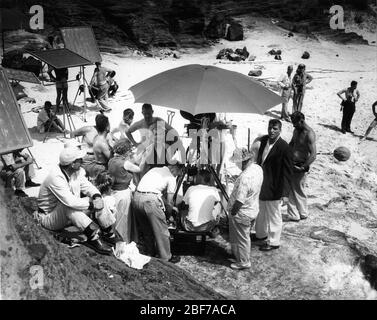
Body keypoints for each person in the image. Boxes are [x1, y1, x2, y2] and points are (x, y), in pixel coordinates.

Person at [36, 147, 115, 255]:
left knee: (97, 199)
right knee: (69, 206)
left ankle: (108, 233)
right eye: (79, 160)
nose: (82, 161)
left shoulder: (75, 172)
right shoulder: (55, 177)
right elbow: (70, 202)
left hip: (64, 216)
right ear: (72, 164)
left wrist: (96, 197)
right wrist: (92, 205)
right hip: (49, 218)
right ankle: (93, 237)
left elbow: (88, 187)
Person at [132, 162, 184, 263]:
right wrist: (168, 216)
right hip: (150, 201)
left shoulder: (155, 170)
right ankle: (166, 258)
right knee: (162, 231)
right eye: (179, 173)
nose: (178, 175)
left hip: (137, 197)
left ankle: (150, 252)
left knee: (146, 229)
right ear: (176, 169)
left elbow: (154, 191)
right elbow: (169, 202)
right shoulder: (171, 178)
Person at [254, 119, 293, 251]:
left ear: (280, 130)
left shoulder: (284, 147)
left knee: (274, 215)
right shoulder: (264, 140)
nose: (271, 131)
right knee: (260, 211)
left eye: (275, 129)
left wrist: (285, 194)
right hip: (261, 184)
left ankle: (274, 241)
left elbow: (288, 172)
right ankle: (260, 235)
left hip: (275, 186)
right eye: (270, 128)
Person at [227, 145, 263, 270]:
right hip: (253, 208)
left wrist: (233, 212)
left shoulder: (244, 178)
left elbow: (239, 201)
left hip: (242, 212)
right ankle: (240, 257)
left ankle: (243, 262)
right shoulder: (257, 169)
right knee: (243, 236)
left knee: (242, 239)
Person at [108, 139, 147, 242]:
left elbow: (128, 163)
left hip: (113, 192)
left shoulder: (111, 161)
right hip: (123, 194)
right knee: (123, 220)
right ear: (126, 152)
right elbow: (139, 169)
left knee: (115, 219)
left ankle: (114, 240)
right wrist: (144, 157)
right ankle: (123, 241)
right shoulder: (125, 163)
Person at [125, 103, 183, 170]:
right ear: (142, 113)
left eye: (149, 114)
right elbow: (127, 131)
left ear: (152, 112)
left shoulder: (158, 120)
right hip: (147, 151)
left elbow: (174, 132)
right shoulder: (140, 123)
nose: (147, 116)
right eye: (145, 114)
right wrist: (135, 143)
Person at [285, 112, 316, 222]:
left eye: (295, 123)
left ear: (301, 121)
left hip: (301, 165)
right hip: (292, 163)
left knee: (298, 189)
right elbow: (292, 143)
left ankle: (303, 213)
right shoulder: (296, 130)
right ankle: (295, 214)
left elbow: (313, 155)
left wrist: (303, 167)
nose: (294, 125)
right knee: (291, 189)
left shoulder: (309, 133)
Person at [85, 114, 112, 180]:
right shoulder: (102, 143)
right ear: (107, 127)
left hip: (98, 165)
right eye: (109, 124)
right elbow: (111, 158)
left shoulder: (97, 137)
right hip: (102, 168)